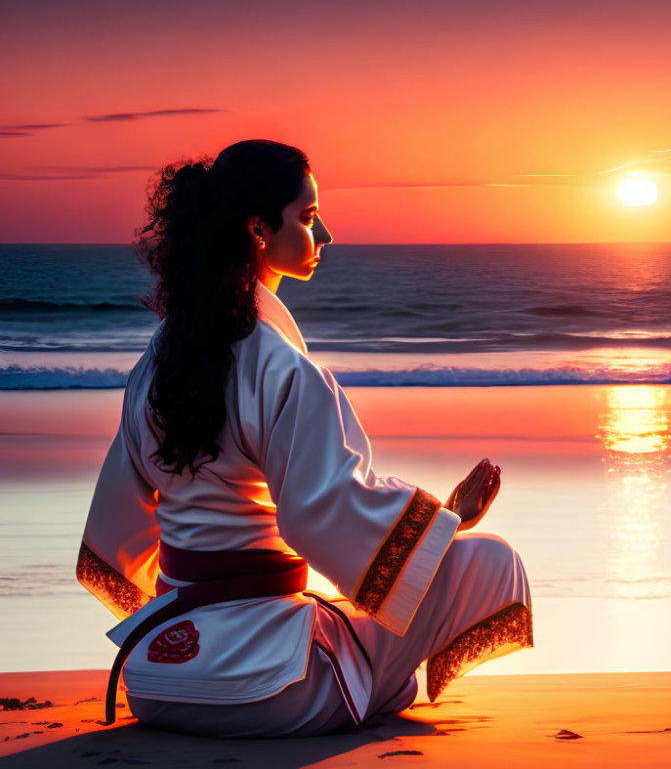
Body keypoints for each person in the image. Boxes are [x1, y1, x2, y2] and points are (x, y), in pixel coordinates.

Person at [76, 139, 532, 737]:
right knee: (487, 563)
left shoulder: (155, 363)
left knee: (352, 617)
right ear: (259, 228)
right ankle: (379, 685)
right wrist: (445, 519)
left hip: (158, 682)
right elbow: (322, 516)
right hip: (270, 691)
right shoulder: (282, 369)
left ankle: (356, 675)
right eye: (310, 217)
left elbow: (117, 530)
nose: (327, 236)